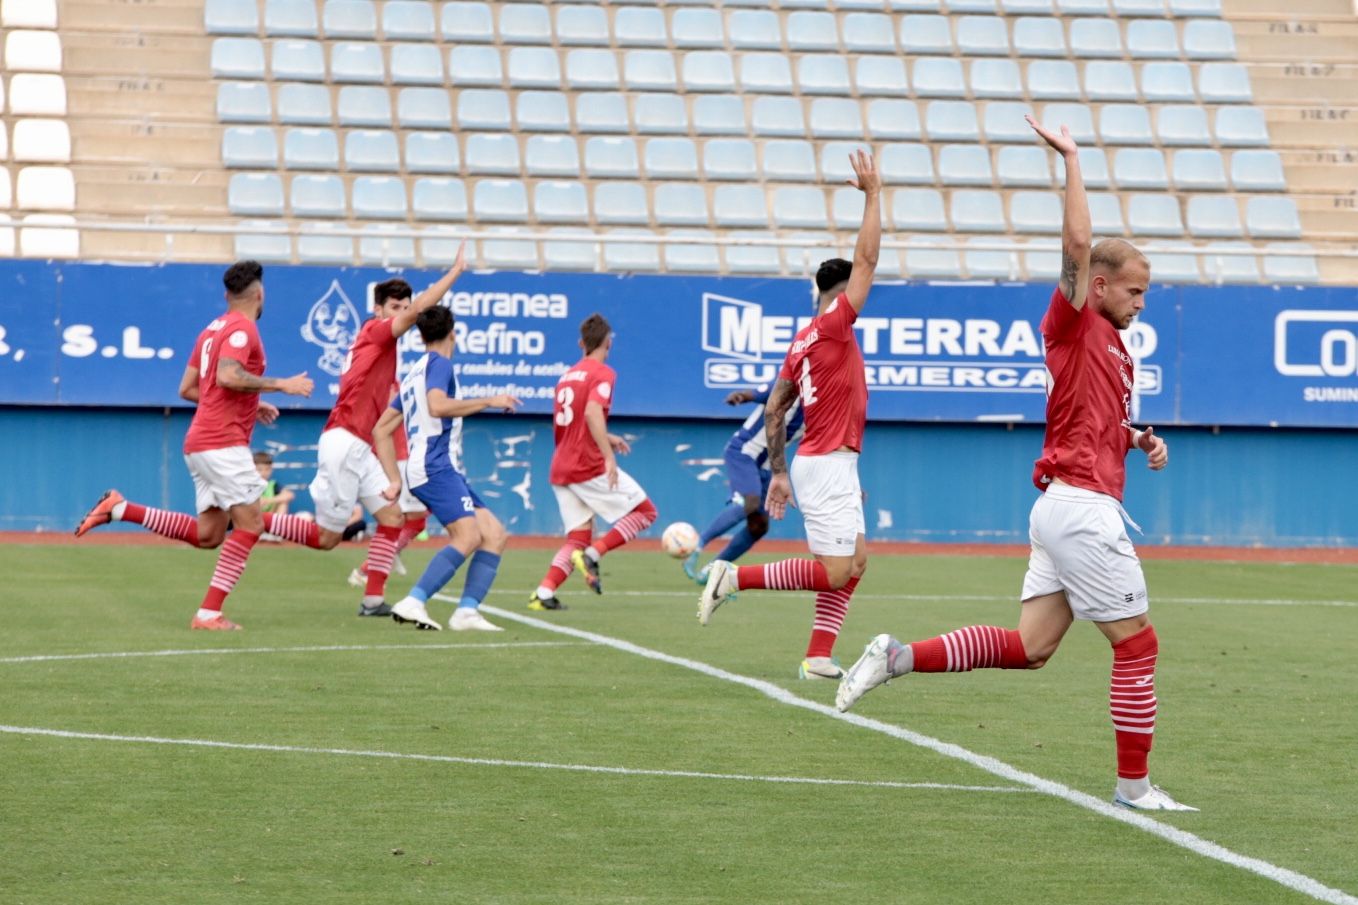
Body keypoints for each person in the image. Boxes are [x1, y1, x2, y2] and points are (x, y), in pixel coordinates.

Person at [835, 117, 1195, 814]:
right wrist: (1073, 160)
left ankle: (896, 655)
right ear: (1096, 286)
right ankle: (1134, 789)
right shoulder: (1073, 321)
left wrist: (1137, 439)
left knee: (1032, 646)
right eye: (1133, 292)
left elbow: (1094, 422)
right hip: (1082, 511)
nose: (1140, 303)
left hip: (1067, 503)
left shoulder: (1118, 350)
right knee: (1139, 645)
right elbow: (1076, 244)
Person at [698, 149, 880, 681]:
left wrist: (778, 472)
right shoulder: (834, 324)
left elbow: (776, 410)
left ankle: (819, 654)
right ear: (842, 293)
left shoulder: (803, 341)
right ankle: (732, 579)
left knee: (856, 563)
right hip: (826, 464)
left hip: (829, 463)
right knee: (836, 569)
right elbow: (866, 261)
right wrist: (873, 196)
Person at [74, 260, 313, 629]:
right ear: (260, 293)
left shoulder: (211, 329)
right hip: (222, 443)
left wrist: (251, 402)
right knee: (249, 527)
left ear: (226, 294)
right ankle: (208, 613)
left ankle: (121, 509)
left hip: (200, 442)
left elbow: (188, 388)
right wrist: (280, 385)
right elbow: (229, 375)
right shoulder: (241, 329)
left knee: (209, 535)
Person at [254, 245, 469, 618]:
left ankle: (372, 600)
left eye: (405, 307)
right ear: (378, 311)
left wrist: (390, 474)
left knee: (392, 518)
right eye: (395, 308)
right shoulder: (375, 332)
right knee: (327, 539)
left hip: (361, 446)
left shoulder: (381, 347)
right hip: (344, 441)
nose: (403, 314)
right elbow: (421, 311)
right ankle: (249, 517)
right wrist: (454, 273)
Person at [372, 306, 522, 631]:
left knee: (494, 534)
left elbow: (381, 429)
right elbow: (438, 406)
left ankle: (466, 612)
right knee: (467, 536)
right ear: (453, 333)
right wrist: (490, 401)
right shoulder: (440, 365)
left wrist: (395, 479)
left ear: (421, 335)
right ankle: (414, 601)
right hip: (434, 465)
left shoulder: (415, 372)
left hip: (434, 466)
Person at [528, 313, 658, 612]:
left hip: (561, 465)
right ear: (608, 343)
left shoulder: (567, 376)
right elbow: (591, 412)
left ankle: (544, 593)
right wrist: (608, 456)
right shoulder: (603, 373)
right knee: (646, 512)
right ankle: (594, 555)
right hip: (585, 465)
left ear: (581, 343)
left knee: (577, 536)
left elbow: (574, 421)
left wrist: (607, 436)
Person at [682, 386, 804, 584]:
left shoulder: (820, 409)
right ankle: (695, 546)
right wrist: (740, 396)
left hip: (767, 466)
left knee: (758, 526)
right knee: (749, 502)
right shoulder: (792, 386)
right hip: (744, 452)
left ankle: (712, 570)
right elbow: (757, 394)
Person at [347, 381, 424, 587]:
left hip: (402, 458)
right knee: (413, 520)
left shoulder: (393, 379)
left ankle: (381, 560)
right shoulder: (384, 382)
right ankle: (368, 570)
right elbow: (388, 409)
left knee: (409, 519)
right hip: (398, 459)